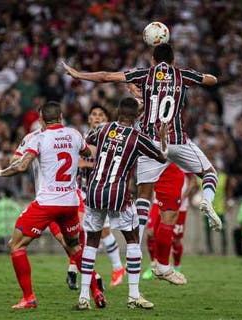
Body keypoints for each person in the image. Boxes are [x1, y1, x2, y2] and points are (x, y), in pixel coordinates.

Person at [62, 43, 222, 284]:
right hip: (177, 140)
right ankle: (207, 202)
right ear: (173, 59)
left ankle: (134, 242)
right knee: (209, 173)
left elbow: (106, 77)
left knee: (144, 194)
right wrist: (205, 76)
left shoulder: (144, 74)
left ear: (152, 58)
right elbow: (212, 80)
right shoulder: (182, 74)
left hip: (149, 142)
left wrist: (78, 74)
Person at [0, 101, 106, 309]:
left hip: (47, 203)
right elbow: (88, 154)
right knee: (74, 247)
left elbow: (20, 164)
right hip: (70, 202)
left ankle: (29, 298)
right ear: (61, 117)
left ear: (40, 120)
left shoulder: (38, 138)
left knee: (16, 245)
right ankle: (96, 292)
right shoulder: (75, 134)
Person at [76, 97, 167, 310]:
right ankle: (134, 295)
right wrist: (162, 139)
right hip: (118, 194)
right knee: (133, 240)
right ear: (136, 116)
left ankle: (83, 297)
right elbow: (162, 157)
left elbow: (85, 146)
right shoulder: (138, 137)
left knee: (91, 242)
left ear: (117, 112)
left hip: (94, 191)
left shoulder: (103, 129)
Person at [68, 105, 125, 290]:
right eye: (94, 114)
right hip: (82, 190)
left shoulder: (111, 138)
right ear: (89, 119)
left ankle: (81, 270)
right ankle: (84, 270)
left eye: (101, 114)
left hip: (102, 190)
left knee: (99, 232)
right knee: (84, 230)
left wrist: (84, 162)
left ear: (107, 119)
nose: (98, 117)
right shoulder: (81, 137)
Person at [142, 165, 193, 280]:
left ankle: (176, 267)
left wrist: (183, 197)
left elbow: (192, 181)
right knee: (150, 232)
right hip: (159, 199)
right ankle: (154, 265)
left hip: (179, 203)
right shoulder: (159, 154)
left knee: (175, 239)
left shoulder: (182, 155)